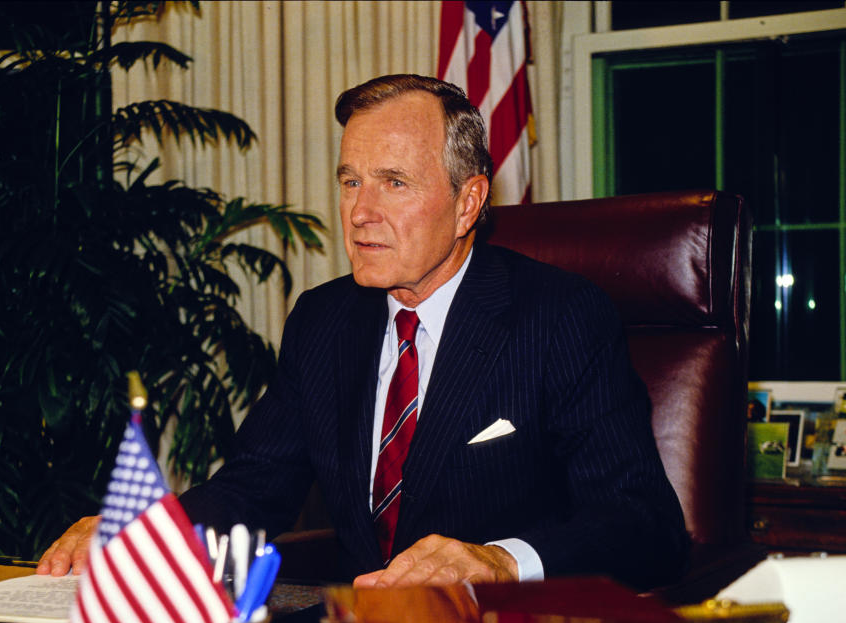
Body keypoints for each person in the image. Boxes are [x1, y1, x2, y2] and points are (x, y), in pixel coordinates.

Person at [38, 74, 689, 589]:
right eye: (351, 180)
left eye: (394, 183)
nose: (360, 211)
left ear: (469, 202)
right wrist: (145, 533)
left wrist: (500, 560)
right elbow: (252, 488)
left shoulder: (560, 317)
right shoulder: (325, 321)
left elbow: (643, 525)